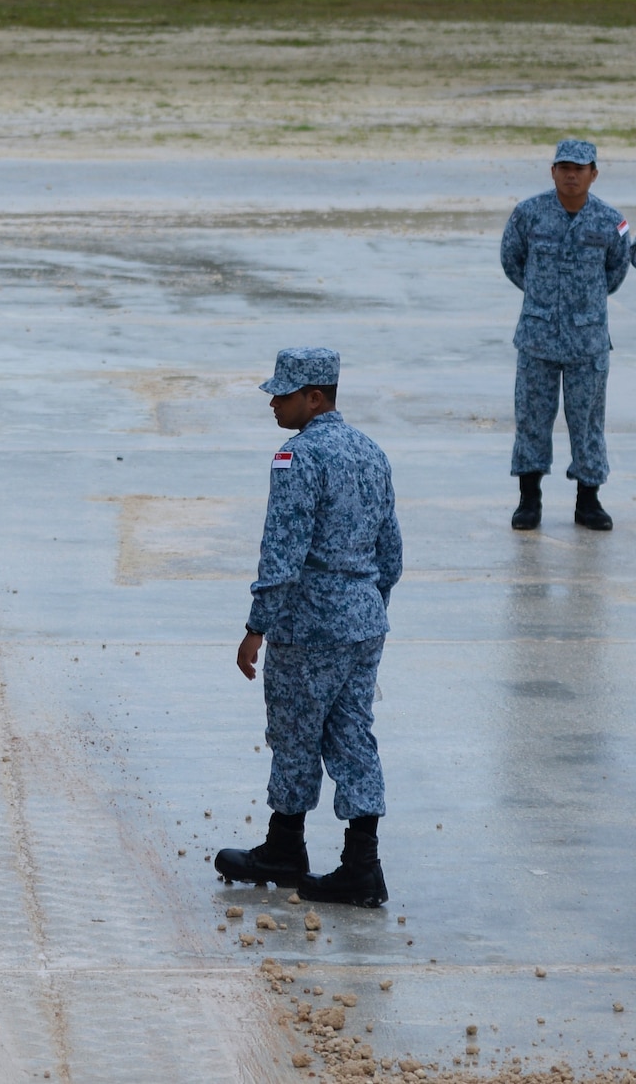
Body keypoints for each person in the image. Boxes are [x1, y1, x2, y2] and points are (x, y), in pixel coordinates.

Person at [216, 347, 401, 908]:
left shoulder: (297, 458)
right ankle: (361, 866)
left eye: (284, 393)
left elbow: (283, 552)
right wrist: (368, 602)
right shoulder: (372, 452)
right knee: (353, 735)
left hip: (309, 625)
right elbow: (390, 551)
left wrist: (257, 624)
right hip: (364, 621)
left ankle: (284, 848)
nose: (273, 402)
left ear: (315, 397)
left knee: (295, 733)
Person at [502, 138, 630, 532]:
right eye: (564, 167)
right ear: (553, 171)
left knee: (588, 420)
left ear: (594, 173)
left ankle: (588, 502)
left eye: (579, 168)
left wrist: (582, 304)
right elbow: (512, 260)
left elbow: (616, 271)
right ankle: (529, 500)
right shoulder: (529, 214)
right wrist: (544, 299)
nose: (571, 175)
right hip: (538, 338)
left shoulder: (612, 221)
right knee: (532, 419)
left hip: (587, 341)